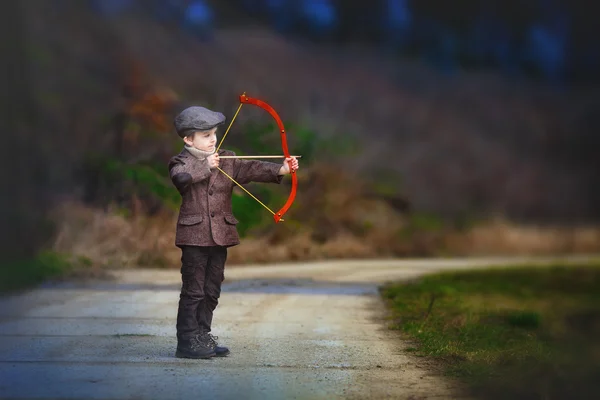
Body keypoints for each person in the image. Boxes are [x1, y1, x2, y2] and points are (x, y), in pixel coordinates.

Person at [168, 106, 299, 359]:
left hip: (221, 235)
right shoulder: (181, 161)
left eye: (214, 133)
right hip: (194, 236)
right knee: (193, 291)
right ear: (188, 139)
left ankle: (202, 336)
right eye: (205, 135)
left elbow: (251, 169)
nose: (213, 139)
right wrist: (205, 166)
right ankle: (187, 341)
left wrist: (282, 169)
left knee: (212, 290)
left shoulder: (227, 158)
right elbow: (181, 180)